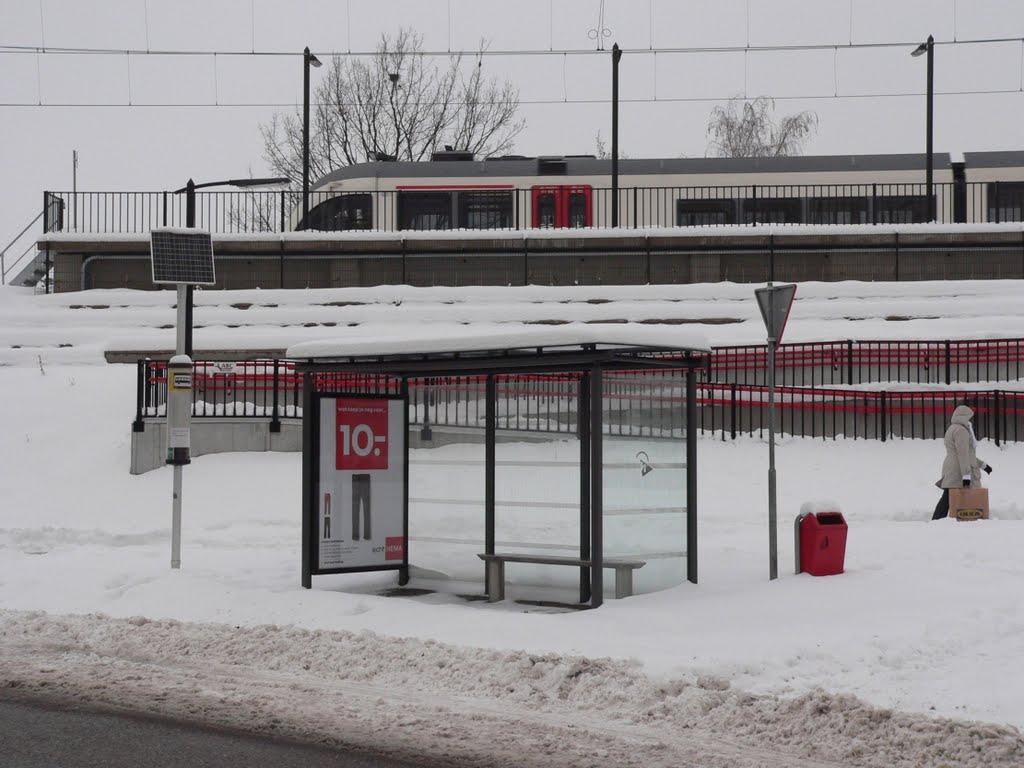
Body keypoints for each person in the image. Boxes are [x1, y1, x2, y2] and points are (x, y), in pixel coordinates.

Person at [932, 404, 993, 520]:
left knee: (949, 496)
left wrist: (983, 465)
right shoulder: (961, 431)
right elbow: (963, 454)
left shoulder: (953, 428)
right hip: (958, 470)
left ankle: (938, 520)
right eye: (969, 417)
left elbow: (966, 454)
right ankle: (938, 520)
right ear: (964, 417)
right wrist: (966, 475)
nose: (970, 420)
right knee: (949, 497)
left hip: (953, 467)